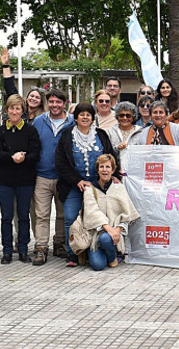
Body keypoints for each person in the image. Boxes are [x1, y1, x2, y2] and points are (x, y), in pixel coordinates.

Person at [55, 103, 118, 267]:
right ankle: (73, 253)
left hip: (98, 187)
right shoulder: (66, 135)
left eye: (88, 114)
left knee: (98, 218)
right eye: (81, 114)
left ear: (92, 118)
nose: (85, 117)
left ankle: (95, 249)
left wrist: (115, 176)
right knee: (70, 218)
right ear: (75, 117)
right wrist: (77, 180)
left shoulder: (101, 134)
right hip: (73, 185)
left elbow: (110, 157)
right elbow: (61, 162)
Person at [0, 95, 41, 264]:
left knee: (23, 216)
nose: (14, 111)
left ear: (22, 111)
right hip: (4, 180)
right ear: (7, 110)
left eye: (18, 108)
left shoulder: (30, 130)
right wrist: (11, 157)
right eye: (11, 108)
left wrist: (23, 158)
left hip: (24, 180)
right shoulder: (0, 130)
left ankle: (23, 250)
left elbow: (35, 153)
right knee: (6, 217)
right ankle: (6, 251)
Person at [30, 88, 75, 266]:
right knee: (41, 214)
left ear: (65, 103)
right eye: (52, 102)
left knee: (63, 214)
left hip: (64, 177)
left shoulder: (72, 122)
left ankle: (60, 244)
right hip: (42, 175)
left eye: (58, 102)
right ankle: (41, 247)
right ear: (47, 103)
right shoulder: (39, 121)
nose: (55, 105)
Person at [80, 155, 140, 271]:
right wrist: (109, 229)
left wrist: (116, 231)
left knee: (106, 239)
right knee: (98, 265)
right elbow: (92, 213)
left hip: (113, 234)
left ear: (112, 170)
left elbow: (126, 214)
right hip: (96, 235)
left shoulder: (119, 188)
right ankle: (104, 252)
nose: (104, 170)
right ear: (97, 170)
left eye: (108, 167)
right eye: (101, 167)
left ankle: (112, 258)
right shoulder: (90, 189)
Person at [0, 48, 45, 120]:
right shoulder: (20, 111)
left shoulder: (43, 118)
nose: (33, 99)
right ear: (27, 98)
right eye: (32, 96)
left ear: (41, 102)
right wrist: (5, 66)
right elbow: (10, 88)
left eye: (37, 97)